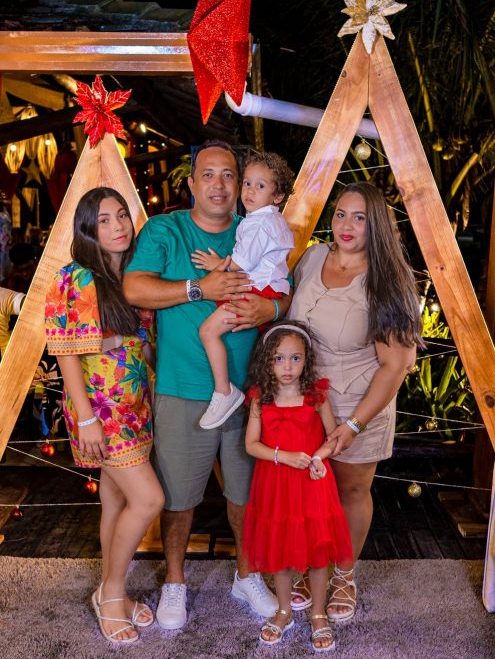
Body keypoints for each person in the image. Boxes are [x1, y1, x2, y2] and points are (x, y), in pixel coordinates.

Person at [123, 140, 292, 630]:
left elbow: (285, 289)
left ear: (241, 185)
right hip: (181, 389)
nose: (219, 184)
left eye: (229, 175)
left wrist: (270, 308)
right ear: (192, 183)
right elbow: (135, 287)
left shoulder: (255, 225)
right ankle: (175, 580)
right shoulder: (166, 229)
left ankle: (247, 575)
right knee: (178, 498)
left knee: (246, 496)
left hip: (251, 393)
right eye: (209, 174)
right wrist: (200, 287)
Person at [287, 181, 422, 621]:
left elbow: (395, 366)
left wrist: (354, 425)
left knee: (350, 490)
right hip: (302, 400)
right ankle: (309, 566)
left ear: (376, 224)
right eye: (341, 214)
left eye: (360, 218)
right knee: (305, 489)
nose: (347, 225)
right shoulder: (311, 258)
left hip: (359, 403)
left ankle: (344, 573)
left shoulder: (388, 282)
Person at [45, 187, 165, 644]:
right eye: (104, 220)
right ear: (87, 230)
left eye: (122, 216)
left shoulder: (133, 273)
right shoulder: (75, 277)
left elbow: (142, 342)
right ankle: (112, 594)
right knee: (148, 500)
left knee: (115, 501)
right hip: (100, 408)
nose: (117, 226)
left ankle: (111, 591)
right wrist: (86, 417)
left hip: (135, 404)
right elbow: (66, 353)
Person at [243, 321, 353, 651]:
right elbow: (251, 445)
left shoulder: (316, 396)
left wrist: (318, 456)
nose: (287, 367)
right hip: (275, 483)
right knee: (279, 550)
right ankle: (284, 610)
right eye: (279, 359)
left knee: (317, 551)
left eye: (295, 358)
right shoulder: (260, 399)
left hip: (311, 482)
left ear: (306, 359)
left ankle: (318, 613)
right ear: (267, 361)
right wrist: (283, 456)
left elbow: (332, 438)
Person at [191, 152, 295, 429]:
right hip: (268, 289)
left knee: (208, 331)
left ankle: (224, 391)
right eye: (247, 183)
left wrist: (216, 264)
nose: (250, 191)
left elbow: (242, 262)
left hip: (258, 292)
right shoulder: (273, 220)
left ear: (277, 196)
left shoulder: (259, 223)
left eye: (260, 186)